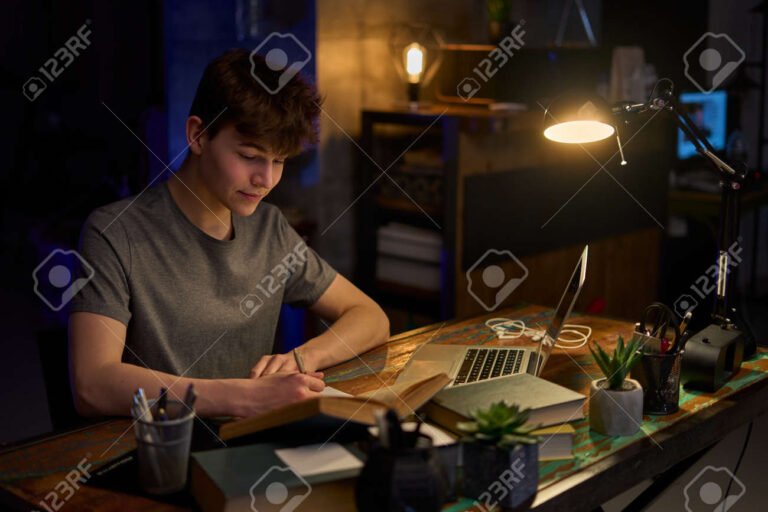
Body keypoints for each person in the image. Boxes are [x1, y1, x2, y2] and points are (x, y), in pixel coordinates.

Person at [68, 49, 390, 419]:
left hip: (251, 444)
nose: (266, 180)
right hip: (163, 452)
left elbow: (371, 316)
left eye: (280, 161)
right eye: (250, 155)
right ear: (198, 135)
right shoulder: (115, 232)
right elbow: (93, 384)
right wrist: (246, 397)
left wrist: (303, 358)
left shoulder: (269, 229)